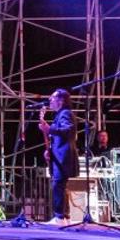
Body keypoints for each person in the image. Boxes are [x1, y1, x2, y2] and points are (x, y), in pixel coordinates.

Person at [39, 88, 78, 224]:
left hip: (63, 156)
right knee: (60, 186)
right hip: (59, 155)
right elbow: (58, 136)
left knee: (58, 186)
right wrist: (48, 149)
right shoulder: (60, 115)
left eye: (53, 98)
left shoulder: (65, 113)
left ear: (61, 101)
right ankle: (64, 216)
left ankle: (59, 217)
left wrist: (49, 129)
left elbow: (68, 130)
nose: (50, 100)